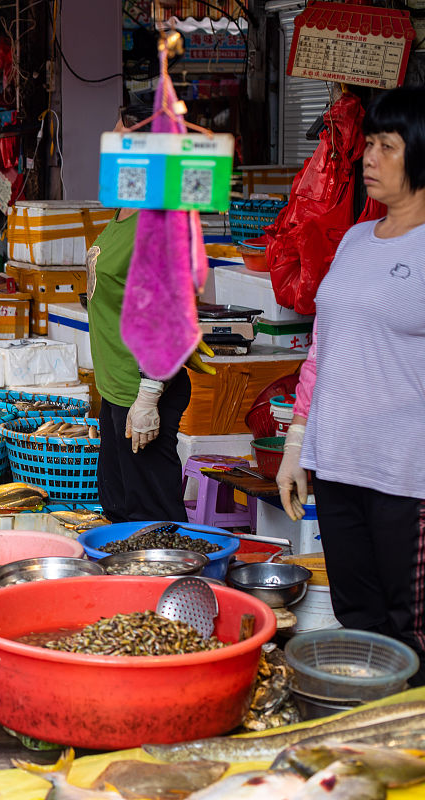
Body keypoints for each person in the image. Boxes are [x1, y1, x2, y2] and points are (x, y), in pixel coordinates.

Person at [276, 87, 425, 683]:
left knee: (409, 626)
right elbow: (323, 350)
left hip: (405, 473)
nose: (369, 158)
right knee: (357, 618)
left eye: (387, 147)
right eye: (369, 143)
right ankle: (369, 737)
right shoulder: (357, 242)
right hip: (337, 465)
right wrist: (295, 445)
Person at [87, 107, 192, 524]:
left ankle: (174, 587)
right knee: (118, 509)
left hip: (144, 390)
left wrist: (148, 396)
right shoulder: (122, 211)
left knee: (153, 517)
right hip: (117, 390)